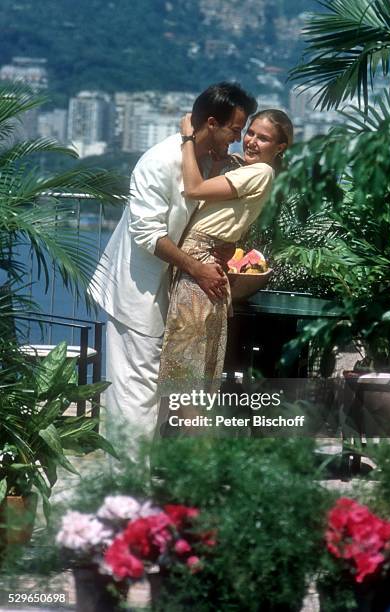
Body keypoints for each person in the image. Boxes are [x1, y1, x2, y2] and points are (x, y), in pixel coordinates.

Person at [88, 82, 257, 443]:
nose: (237, 139)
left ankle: (150, 481)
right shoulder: (158, 161)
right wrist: (198, 268)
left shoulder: (215, 164)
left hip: (175, 293)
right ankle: (129, 489)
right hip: (137, 290)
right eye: (234, 130)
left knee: (165, 392)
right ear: (211, 123)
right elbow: (147, 235)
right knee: (137, 396)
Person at [158, 109, 294, 409]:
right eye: (250, 133)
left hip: (199, 265)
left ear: (280, 147)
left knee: (185, 375)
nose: (251, 142)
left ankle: (183, 451)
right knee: (190, 372)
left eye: (264, 138)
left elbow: (193, 188)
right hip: (203, 259)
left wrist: (188, 138)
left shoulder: (260, 172)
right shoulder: (248, 170)